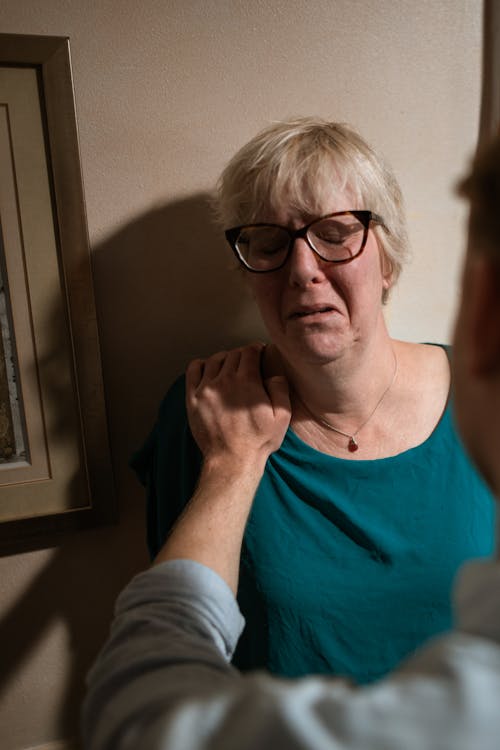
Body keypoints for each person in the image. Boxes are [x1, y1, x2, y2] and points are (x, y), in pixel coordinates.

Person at [82, 132, 500, 749]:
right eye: (270, 243)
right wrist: (232, 464)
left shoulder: (483, 403)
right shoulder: (205, 413)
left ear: (387, 259)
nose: (303, 269)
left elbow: (141, 703)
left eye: (335, 234)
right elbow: (198, 640)